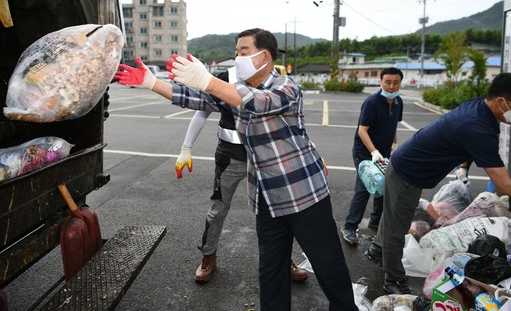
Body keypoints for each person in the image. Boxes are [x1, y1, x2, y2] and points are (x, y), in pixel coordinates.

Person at [115, 28, 358, 311]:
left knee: (328, 266)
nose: (237, 57)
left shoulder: (286, 87)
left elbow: (256, 103)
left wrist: (207, 80)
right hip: (267, 198)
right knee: (271, 270)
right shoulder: (235, 93)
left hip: (303, 194)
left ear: (264, 56)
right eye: (236, 52)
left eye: (243, 52)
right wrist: (152, 82)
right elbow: (195, 99)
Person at [364, 72, 511, 295]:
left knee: (394, 216)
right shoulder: (478, 127)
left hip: (410, 164)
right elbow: (505, 185)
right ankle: (393, 280)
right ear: (501, 101)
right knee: (396, 228)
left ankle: (378, 250)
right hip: (407, 172)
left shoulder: (480, 106)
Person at [174, 67, 308, 283]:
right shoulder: (224, 77)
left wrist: (307, 151)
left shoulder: (273, 78)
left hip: (265, 158)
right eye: (240, 49)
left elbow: (290, 121)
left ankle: (283, 260)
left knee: (277, 210)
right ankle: (209, 256)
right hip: (230, 157)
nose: (243, 54)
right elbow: (201, 110)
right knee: (218, 209)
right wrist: (186, 147)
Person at [341, 67, 403, 245]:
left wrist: (394, 146)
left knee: (385, 186)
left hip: (383, 153)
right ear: (381, 82)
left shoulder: (398, 102)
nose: (391, 86)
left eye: (395, 82)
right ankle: (349, 227)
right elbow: (362, 131)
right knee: (364, 188)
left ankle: (376, 221)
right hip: (364, 152)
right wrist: (373, 152)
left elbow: (393, 126)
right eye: (387, 82)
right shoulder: (372, 103)